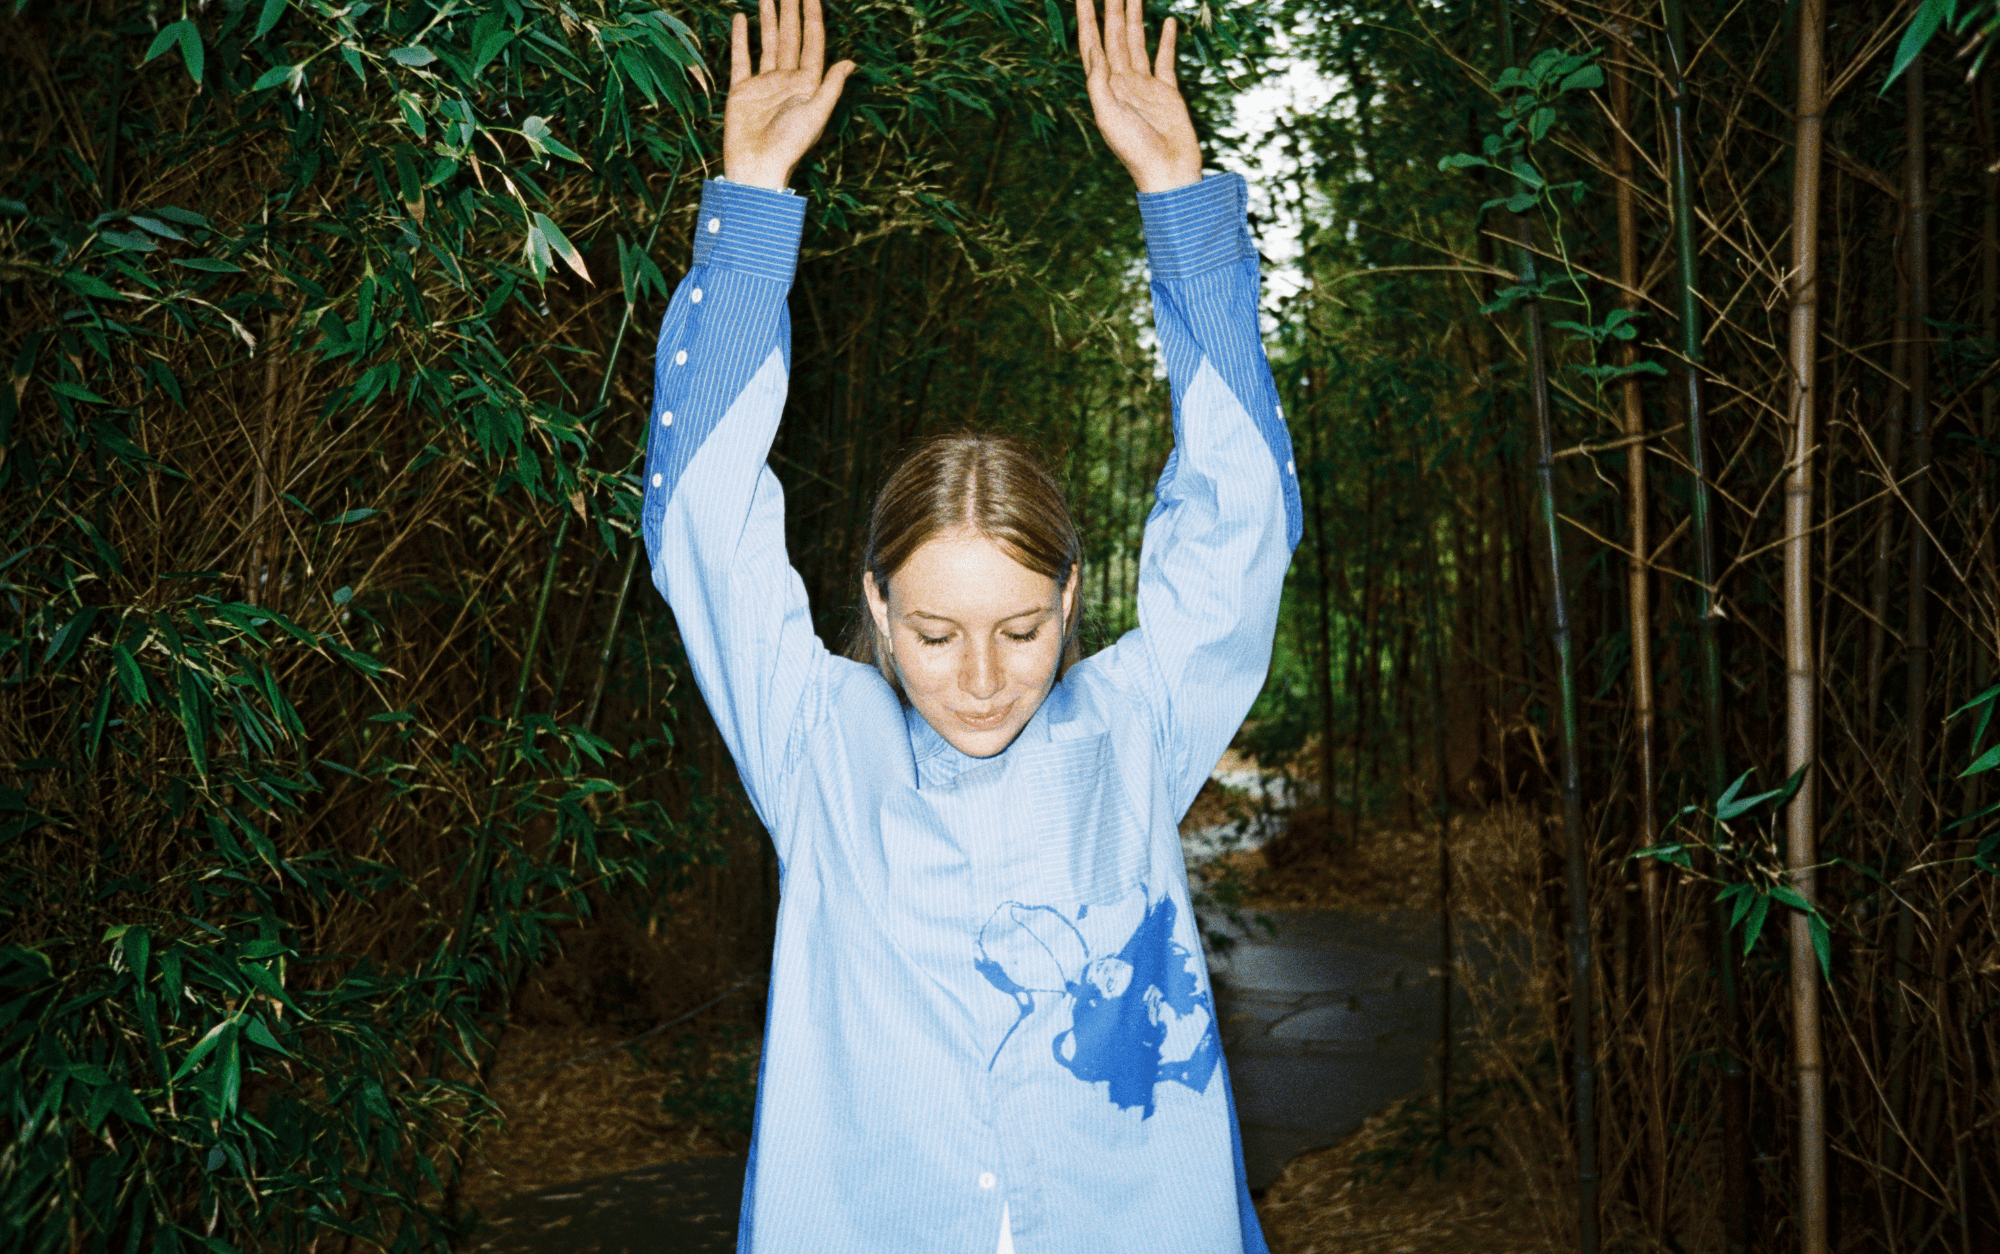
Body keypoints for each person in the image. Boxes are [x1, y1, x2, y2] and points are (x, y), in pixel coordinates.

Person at [639, 0, 1300, 1245]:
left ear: (1069, 603)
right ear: (878, 611)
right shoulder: (816, 744)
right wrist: (750, 210)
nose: (983, 678)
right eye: (935, 634)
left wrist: (1179, 200)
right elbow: (701, 527)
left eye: (1021, 630)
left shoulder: (1130, 730)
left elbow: (1241, 518)